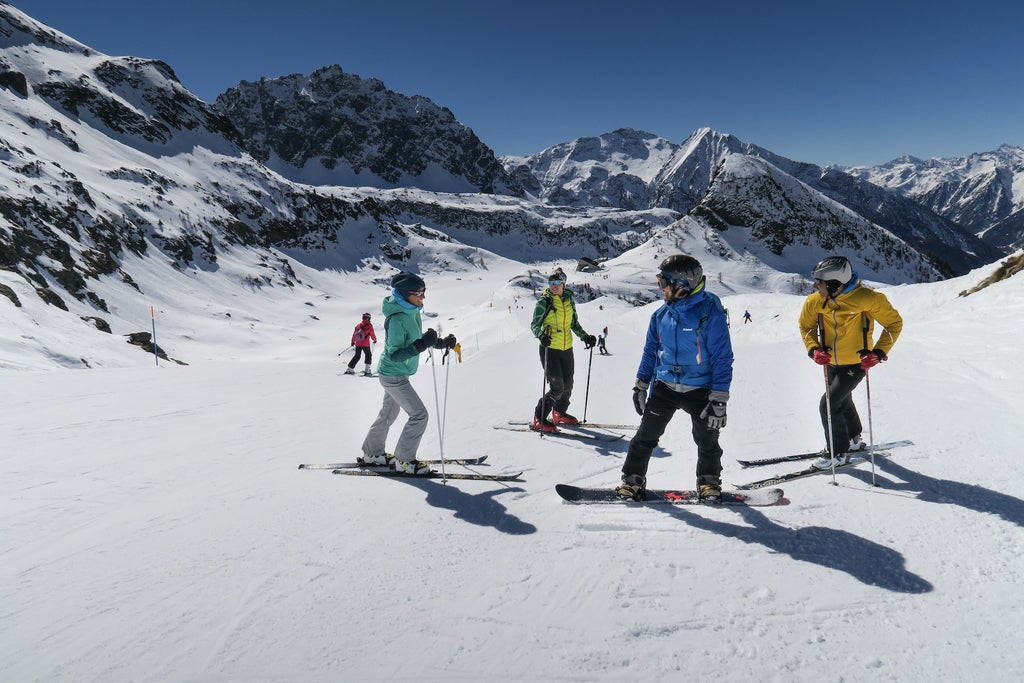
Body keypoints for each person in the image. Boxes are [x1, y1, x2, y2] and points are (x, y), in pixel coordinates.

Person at [615, 255, 734, 502]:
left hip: (700, 388)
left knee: (707, 440)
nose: (661, 289)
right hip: (665, 386)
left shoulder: (709, 312)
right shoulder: (660, 316)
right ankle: (632, 480)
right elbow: (650, 352)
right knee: (644, 437)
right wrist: (641, 384)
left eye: (663, 283)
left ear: (683, 285)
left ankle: (709, 482)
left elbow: (723, 357)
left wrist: (719, 399)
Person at [798, 255, 903, 470]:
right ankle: (854, 441)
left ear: (834, 284)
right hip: (831, 363)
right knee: (842, 400)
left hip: (857, 364)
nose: (814, 285)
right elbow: (806, 328)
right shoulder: (815, 301)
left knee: (828, 403)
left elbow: (894, 324)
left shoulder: (868, 299)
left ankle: (837, 454)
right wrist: (814, 349)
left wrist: (879, 352)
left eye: (819, 282)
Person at [358, 271, 457, 474]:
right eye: (419, 293)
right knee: (419, 415)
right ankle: (404, 460)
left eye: (424, 292)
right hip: (393, 375)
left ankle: (373, 454)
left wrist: (440, 343)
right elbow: (395, 354)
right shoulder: (396, 319)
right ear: (404, 294)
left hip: (396, 374)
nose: (423, 297)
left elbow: (414, 340)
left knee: (388, 414)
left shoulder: (411, 311)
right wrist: (422, 344)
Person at [530, 267, 596, 432]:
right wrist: (541, 335)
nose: (554, 285)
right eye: (551, 282)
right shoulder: (544, 301)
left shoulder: (568, 300)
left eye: (557, 282)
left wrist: (585, 336)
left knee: (568, 385)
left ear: (564, 283)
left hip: (567, 349)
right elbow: (534, 325)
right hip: (549, 349)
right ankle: (539, 417)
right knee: (557, 387)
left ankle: (559, 412)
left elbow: (573, 323)